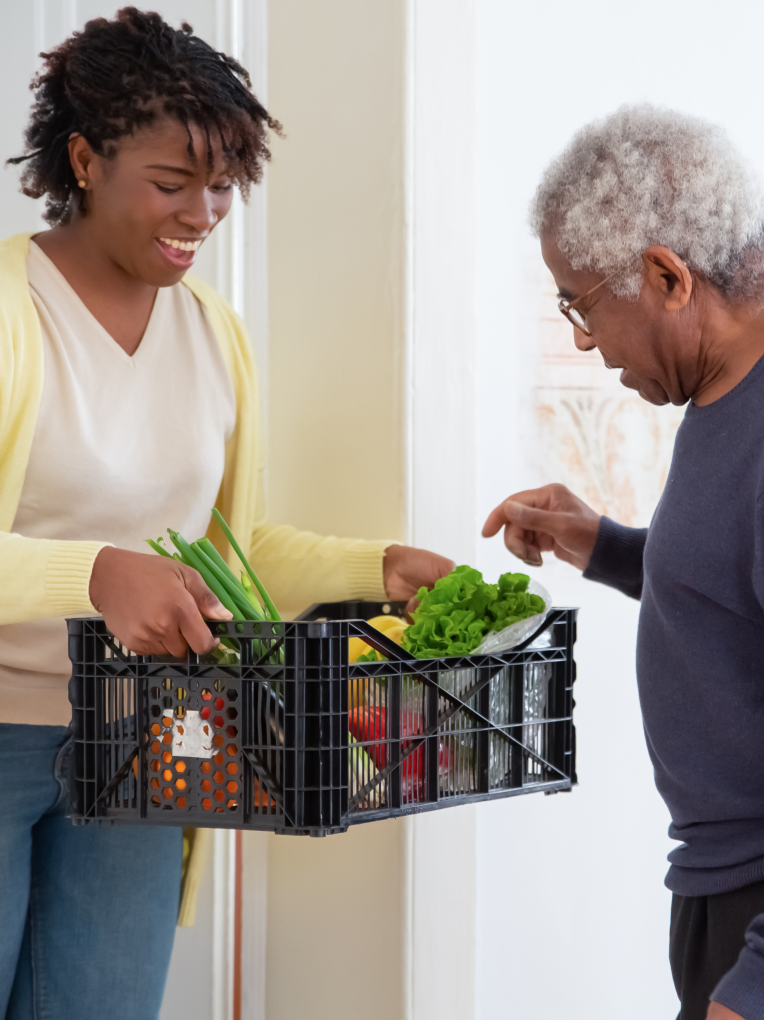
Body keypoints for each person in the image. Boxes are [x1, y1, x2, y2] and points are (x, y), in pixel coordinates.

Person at [0, 9, 453, 1018]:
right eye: (172, 182)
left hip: (139, 734)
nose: (202, 213)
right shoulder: (10, 311)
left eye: (221, 185)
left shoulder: (214, 334)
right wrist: (95, 573)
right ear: (85, 160)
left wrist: (371, 568)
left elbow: (219, 553)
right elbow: (121, 568)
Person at [482, 104, 764, 1020]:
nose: (581, 337)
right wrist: (601, 544)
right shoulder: (723, 392)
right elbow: (731, 592)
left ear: (666, 277)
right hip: (720, 887)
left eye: (581, 303)